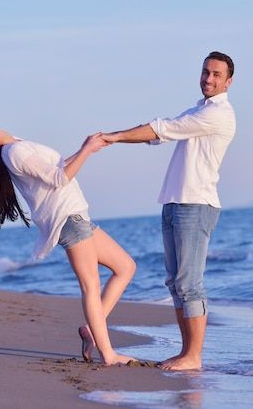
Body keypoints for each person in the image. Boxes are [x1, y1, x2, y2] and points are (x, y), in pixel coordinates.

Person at [0, 119, 136, 366]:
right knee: (91, 286)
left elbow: (53, 171)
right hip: (68, 219)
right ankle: (108, 355)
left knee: (125, 267)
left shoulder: (15, 147)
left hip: (77, 215)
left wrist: (83, 148)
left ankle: (91, 330)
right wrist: (87, 151)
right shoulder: (15, 151)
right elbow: (59, 179)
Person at [101, 51, 236, 370]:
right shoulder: (197, 110)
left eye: (217, 74)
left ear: (228, 82)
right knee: (176, 282)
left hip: (196, 205)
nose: (209, 78)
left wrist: (116, 136)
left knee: (190, 283)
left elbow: (165, 129)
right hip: (174, 201)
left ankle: (194, 357)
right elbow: (162, 133)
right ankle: (185, 352)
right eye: (206, 72)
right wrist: (125, 137)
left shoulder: (219, 114)